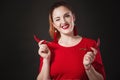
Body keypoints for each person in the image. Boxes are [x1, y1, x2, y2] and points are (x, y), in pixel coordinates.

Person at [36, 1, 106, 80]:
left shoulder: (90, 44)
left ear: (73, 17)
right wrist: (46, 60)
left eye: (67, 16)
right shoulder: (48, 48)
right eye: (57, 19)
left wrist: (88, 67)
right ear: (54, 25)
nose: (63, 22)